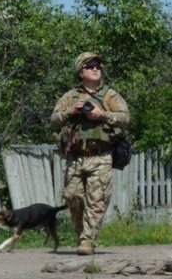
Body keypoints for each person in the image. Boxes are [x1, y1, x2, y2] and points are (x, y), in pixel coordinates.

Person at [50, 52, 129, 255]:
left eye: (98, 66)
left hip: (101, 155)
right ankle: (81, 236)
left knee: (97, 200)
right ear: (80, 71)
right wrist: (71, 112)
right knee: (72, 197)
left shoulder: (110, 95)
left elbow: (125, 118)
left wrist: (101, 114)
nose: (96, 69)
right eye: (90, 66)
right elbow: (54, 119)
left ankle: (88, 240)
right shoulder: (70, 97)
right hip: (76, 157)